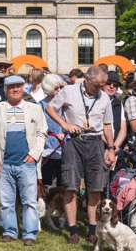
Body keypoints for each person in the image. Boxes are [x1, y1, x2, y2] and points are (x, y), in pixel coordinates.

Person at [45, 66, 116, 244]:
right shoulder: (68, 91)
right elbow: (50, 108)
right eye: (97, 85)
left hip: (96, 143)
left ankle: (92, 229)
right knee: (70, 187)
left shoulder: (105, 97)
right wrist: (65, 124)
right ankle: (73, 229)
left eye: (102, 85)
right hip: (73, 142)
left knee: (96, 188)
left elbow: (107, 125)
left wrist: (111, 148)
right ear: (86, 79)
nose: (100, 88)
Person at [0, 75, 47, 245]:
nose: (15, 89)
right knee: (5, 202)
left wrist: (34, 154)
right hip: (3, 163)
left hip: (27, 163)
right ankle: (9, 231)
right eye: (11, 87)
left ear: (23, 88)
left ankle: (30, 234)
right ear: (5, 90)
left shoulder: (34, 108)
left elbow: (42, 133)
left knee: (29, 201)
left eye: (18, 86)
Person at [39, 74, 67, 187]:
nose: (59, 90)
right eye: (56, 88)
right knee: (46, 181)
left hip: (64, 147)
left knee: (63, 181)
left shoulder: (65, 103)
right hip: (47, 147)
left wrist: (64, 133)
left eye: (61, 87)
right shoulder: (40, 105)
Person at [103, 71, 128, 169]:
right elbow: (97, 127)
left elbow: (123, 129)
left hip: (116, 147)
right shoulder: (97, 101)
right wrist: (110, 147)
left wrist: (115, 147)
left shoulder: (118, 103)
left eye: (115, 85)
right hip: (101, 147)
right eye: (108, 83)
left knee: (115, 181)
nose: (112, 86)